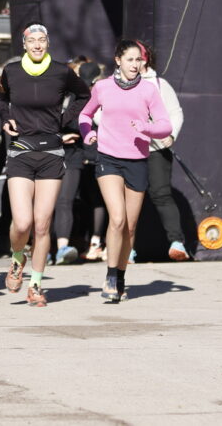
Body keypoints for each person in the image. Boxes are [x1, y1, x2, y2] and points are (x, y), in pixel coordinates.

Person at [0, 24, 90, 307]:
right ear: (24, 44)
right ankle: (16, 259)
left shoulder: (61, 71)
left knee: (42, 224)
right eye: (32, 41)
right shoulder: (11, 72)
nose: (37, 45)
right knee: (22, 222)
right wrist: (6, 118)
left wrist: (65, 121)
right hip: (22, 151)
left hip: (51, 152)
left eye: (42, 40)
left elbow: (84, 96)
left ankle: (35, 285)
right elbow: (1, 99)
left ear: (48, 43)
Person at [80, 40, 171, 302]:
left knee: (130, 227)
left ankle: (120, 275)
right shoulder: (103, 87)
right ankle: (109, 275)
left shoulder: (149, 90)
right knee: (117, 218)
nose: (136, 64)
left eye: (139, 60)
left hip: (137, 160)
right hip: (108, 157)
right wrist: (88, 134)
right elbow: (85, 115)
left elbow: (164, 125)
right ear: (117, 60)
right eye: (130, 59)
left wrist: (147, 128)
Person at [138, 41, 188, 261]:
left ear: (145, 59)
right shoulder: (114, 84)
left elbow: (175, 113)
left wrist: (171, 134)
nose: (132, 62)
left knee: (161, 193)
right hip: (126, 150)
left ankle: (177, 243)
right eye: (126, 57)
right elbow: (100, 113)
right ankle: (125, 249)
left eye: (136, 57)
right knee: (127, 200)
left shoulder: (159, 84)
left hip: (156, 150)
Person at [54, 60, 103, 265]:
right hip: (64, 151)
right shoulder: (69, 94)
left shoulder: (86, 95)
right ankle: (59, 247)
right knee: (63, 201)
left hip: (78, 154)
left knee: (68, 200)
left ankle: (65, 247)